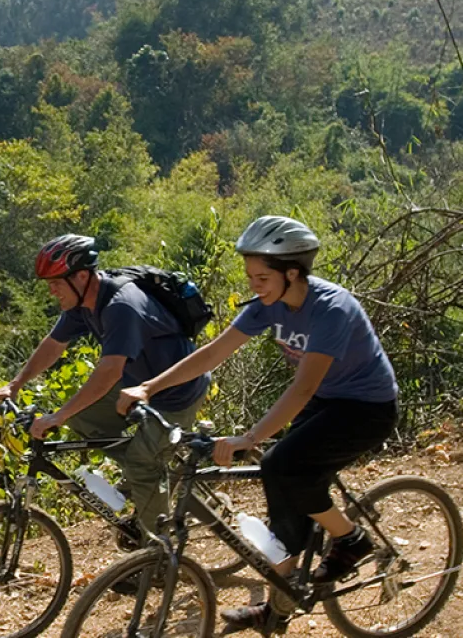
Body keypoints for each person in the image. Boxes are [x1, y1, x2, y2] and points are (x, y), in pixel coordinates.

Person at [117, 215, 399, 633]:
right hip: (327, 401)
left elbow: (302, 389)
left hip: (367, 407)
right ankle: (278, 608)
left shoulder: (331, 310)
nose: (254, 284)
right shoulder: (269, 305)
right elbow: (213, 353)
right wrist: (150, 387)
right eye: (250, 275)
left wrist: (250, 437)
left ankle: (351, 539)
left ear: (293, 272)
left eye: (262, 276)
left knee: (282, 466)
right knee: (283, 492)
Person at [0, 233, 211, 540]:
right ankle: (147, 474)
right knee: (84, 417)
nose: (51, 291)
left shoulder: (121, 305)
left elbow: (108, 372)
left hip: (176, 392)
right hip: (135, 385)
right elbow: (54, 344)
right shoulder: (84, 303)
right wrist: (15, 385)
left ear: (81, 276)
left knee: (142, 466)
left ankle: (158, 553)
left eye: (56, 282)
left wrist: (57, 417)